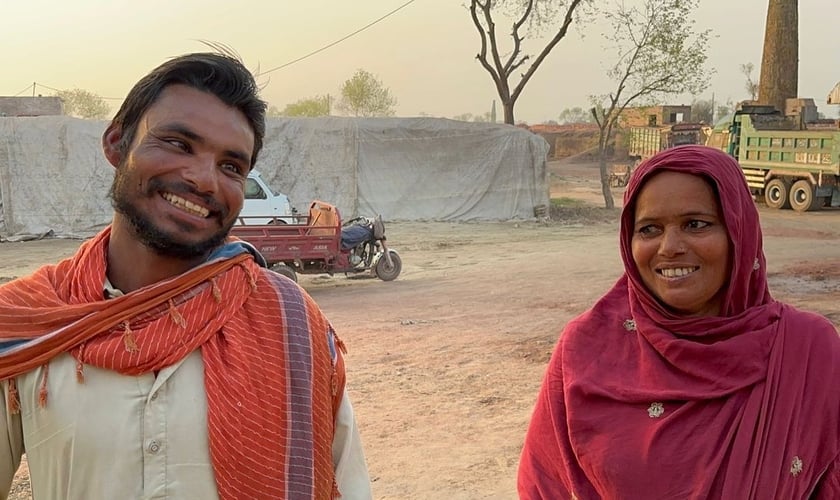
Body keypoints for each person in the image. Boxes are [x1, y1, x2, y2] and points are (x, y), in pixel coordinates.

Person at [0, 53, 371, 499]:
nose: (203, 180)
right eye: (177, 143)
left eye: (231, 166)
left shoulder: (292, 328)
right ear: (117, 143)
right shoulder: (31, 321)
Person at [518, 145, 840, 499]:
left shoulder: (808, 350)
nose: (669, 246)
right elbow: (543, 483)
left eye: (696, 224)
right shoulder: (585, 349)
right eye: (650, 229)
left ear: (740, 232)